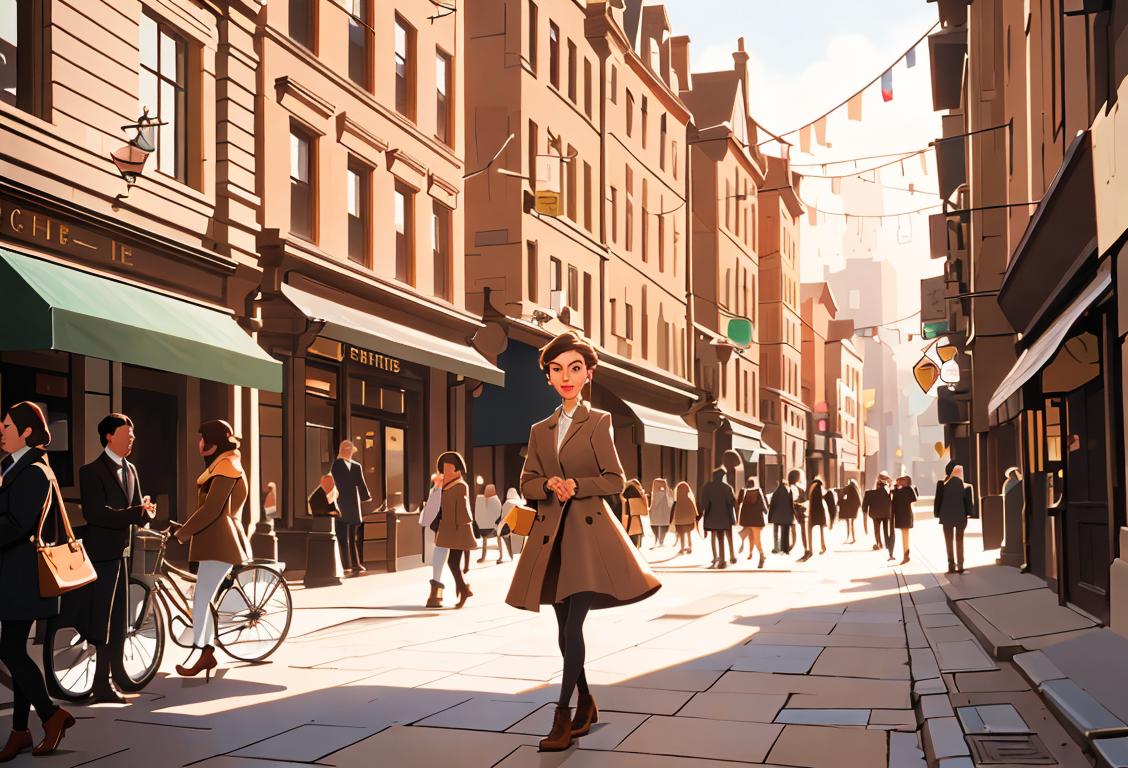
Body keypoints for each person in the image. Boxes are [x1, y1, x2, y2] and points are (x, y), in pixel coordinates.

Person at [506, 331, 660, 752]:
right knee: (562, 627)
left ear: (588, 373)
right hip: (551, 538)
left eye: (574, 368)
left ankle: (562, 714)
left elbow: (615, 478)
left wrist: (576, 482)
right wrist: (547, 482)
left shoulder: (599, 422)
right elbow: (527, 482)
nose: (566, 376)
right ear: (549, 378)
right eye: (557, 369)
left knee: (573, 624)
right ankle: (587, 702)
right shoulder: (541, 429)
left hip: (587, 536)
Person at [0, 402, 75, 758]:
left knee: (11, 650)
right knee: (14, 651)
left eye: (7, 425)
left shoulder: (34, 471)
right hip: (12, 575)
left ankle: (50, 714)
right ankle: (19, 731)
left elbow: (18, 524)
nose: (1, 430)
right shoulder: (12, 466)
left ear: (27, 431)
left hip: (23, 577)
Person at [65, 413, 156, 703]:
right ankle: (101, 684)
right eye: (126, 434)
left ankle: (111, 680)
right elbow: (95, 513)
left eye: (132, 434)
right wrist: (135, 513)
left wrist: (145, 513)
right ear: (108, 436)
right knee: (101, 621)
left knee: (117, 622)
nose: (132, 438)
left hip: (123, 554)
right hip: (100, 556)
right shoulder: (90, 471)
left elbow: (137, 510)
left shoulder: (131, 469)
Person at [173, 420, 251, 680]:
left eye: (202, 438)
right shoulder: (222, 464)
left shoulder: (227, 466)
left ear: (213, 443)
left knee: (200, 601)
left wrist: (183, 533)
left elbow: (212, 509)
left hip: (221, 543)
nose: (199, 444)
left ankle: (204, 654)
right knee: (201, 599)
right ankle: (206, 650)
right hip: (214, 541)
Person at [434, 451, 476, 608]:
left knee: (452, 562)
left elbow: (464, 511)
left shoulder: (460, 486)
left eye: (448, 468)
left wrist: (464, 531)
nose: (445, 471)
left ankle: (464, 589)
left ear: (457, 468)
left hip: (457, 529)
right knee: (451, 562)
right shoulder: (444, 485)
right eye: (443, 468)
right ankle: (463, 588)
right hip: (447, 529)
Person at [331, 441, 371, 576]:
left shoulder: (356, 466)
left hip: (353, 505)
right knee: (343, 538)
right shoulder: (336, 465)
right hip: (341, 504)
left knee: (352, 538)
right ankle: (346, 565)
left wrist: (366, 496)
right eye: (347, 450)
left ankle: (355, 564)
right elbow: (333, 484)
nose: (349, 452)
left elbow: (361, 483)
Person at [935, 464, 976, 574]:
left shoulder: (942, 484)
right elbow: (968, 505)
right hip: (960, 517)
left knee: (948, 541)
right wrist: (969, 515)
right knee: (959, 541)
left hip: (946, 517)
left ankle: (951, 566)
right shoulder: (966, 486)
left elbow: (937, 501)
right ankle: (961, 566)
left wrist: (938, 514)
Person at [699, 467, 737, 568]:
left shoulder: (707, 487)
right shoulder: (727, 488)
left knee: (714, 537)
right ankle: (723, 560)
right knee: (721, 538)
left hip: (711, 516)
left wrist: (702, 513)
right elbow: (732, 502)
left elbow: (704, 504)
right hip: (725, 517)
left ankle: (717, 557)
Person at [420, 472, 446, 608]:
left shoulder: (438, 491)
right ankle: (436, 593)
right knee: (442, 558)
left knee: (449, 561)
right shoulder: (436, 491)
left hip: (441, 528)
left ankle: (436, 593)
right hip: (440, 528)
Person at [737, 476, 767, 568]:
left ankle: (761, 555)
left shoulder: (743, 491)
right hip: (757, 518)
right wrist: (766, 511)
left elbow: (738, 502)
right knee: (756, 538)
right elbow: (763, 504)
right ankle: (758, 554)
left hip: (747, 518)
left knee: (750, 535)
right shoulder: (758, 491)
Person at [862, 472, 894, 558]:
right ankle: (886, 544)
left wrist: (864, 513)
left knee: (876, 529)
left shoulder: (869, 493)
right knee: (885, 529)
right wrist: (889, 481)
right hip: (885, 513)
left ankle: (879, 543)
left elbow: (864, 506)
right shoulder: (888, 492)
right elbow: (893, 487)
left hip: (875, 514)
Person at [892, 474, 918, 564]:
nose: (897, 482)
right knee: (905, 535)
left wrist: (896, 489)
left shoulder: (903, 491)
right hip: (903, 515)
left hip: (904, 515)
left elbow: (914, 498)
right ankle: (906, 555)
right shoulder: (902, 491)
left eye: (899, 481)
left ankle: (906, 555)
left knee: (905, 535)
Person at [475, 484, 503, 562]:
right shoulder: (482, 500)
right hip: (487, 528)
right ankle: (484, 557)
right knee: (487, 539)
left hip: (493, 527)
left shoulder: (495, 501)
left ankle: (500, 556)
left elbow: (497, 514)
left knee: (497, 537)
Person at [768, 474, 796, 554]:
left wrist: (770, 517)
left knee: (776, 532)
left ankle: (776, 548)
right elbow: (791, 504)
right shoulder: (789, 491)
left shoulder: (776, 492)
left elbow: (772, 505)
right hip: (787, 516)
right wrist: (792, 514)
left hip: (776, 516)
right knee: (785, 533)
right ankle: (785, 549)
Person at [671, 481, 698, 555]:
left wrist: (673, 520)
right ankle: (690, 546)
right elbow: (693, 510)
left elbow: (674, 512)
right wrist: (694, 518)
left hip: (680, 522)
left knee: (682, 535)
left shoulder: (677, 502)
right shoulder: (689, 500)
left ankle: (682, 548)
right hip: (689, 521)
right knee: (689, 534)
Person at [496, 487, 522, 563]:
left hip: (509, 528)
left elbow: (503, 518)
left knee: (503, 536)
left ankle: (509, 556)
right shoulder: (521, 502)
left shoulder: (507, 503)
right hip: (519, 528)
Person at [806, 476, 829, 557]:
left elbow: (808, 497)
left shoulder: (812, 486)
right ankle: (823, 546)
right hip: (820, 510)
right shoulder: (821, 487)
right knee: (821, 528)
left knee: (809, 529)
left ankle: (810, 549)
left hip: (813, 510)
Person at [789, 470, 809, 561]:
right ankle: (806, 550)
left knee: (795, 531)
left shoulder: (792, 487)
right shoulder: (797, 487)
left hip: (793, 512)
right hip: (800, 512)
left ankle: (791, 547)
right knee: (803, 532)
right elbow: (801, 499)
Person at [621, 479, 647, 548]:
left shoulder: (623, 497)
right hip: (634, 529)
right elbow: (645, 512)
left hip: (632, 529)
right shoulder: (631, 494)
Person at [648, 478, 672, 548]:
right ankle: (659, 540)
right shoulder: (663, 493)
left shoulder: (658, 493)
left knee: (656, 525)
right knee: (661, 526)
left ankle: (658, 539)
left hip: (659, 514)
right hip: (662, 514)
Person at [838, 479, 862, 544]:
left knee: (848, 522)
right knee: (852, 523)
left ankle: (849, 537)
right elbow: (859, 501)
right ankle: (853, 538)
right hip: (854, 508)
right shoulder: (856, 489)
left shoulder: (848, 488)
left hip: (849, 507)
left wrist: (841, 501)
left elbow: (841, 494)